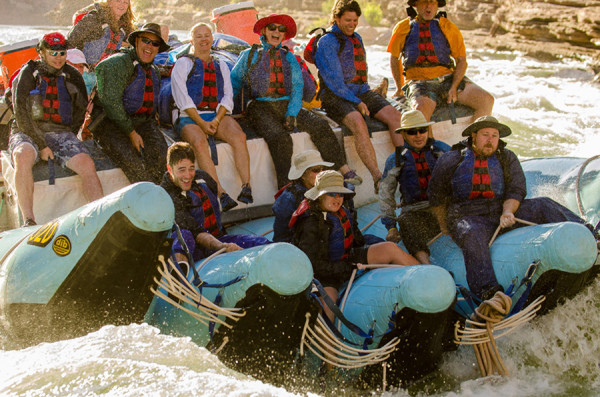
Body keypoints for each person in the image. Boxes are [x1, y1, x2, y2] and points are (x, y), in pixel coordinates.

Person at [428, 116, 594, 300]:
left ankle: (591, 234)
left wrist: (508, 211)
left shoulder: (506, 157)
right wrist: (444, 225)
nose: (490, 140)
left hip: (501, 211)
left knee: (543, 204)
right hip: (468, 216)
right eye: (485, 135)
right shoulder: (452, 159)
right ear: (474, 135)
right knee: (471, 234)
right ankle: (488, 292)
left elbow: (516, 189)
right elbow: (436, 196)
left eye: (494, 135)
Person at [231, 14, 359, 189]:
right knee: (280, 138)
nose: (277, 32)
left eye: (281, 29)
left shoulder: (289, 57)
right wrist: (226, 113)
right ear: (264, 31)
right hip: (259, 106)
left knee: (320, 125)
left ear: (284, 35)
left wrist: (292, 113)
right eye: (272, 28)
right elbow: (234, 84)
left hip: (286, 103)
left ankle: (342, 169)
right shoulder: (249, 55)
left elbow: (297, 87)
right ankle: (286, 188)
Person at [291, 170, 419, 321]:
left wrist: (379, 246)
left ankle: (426, 276)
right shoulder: (310, 223)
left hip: (348, 258)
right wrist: (346, 268)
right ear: (320, 195)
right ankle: (326, 342)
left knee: (389, 248)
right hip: (325, 274)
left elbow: (358, 240)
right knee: (328, 306)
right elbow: (313, 264)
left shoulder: (344, 210)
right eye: (331, 194)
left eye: (340, 194)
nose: (337, 199)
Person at [9, 32, 104, 226]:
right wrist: (42, 145)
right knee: (23, 155)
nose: (58, 58)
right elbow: (21, 113)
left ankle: (99, 215)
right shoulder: (28, 74)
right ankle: (29, 219)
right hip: (26, 130)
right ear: (41, 53)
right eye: (53, 53)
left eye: (62, 53)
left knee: (86, 162)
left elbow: (79, 112)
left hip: (60, 132)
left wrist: (69, 137)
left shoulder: (73, 76)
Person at [314, 0, 404, 192]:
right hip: (334, 96)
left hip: (360, 90)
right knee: (358, 121)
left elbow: (360, 74)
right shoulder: (327, 42)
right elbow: (335, 83)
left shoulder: (357, 38)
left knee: (395, 117)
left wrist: (365, 97)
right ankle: (378, 177)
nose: (352, 24)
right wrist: (357, 102)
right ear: (336, 18)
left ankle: (405, 168)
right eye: (347, 20)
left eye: (355, 20)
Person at [171, 22, 253, 212]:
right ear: (191, 41)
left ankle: (246, 186)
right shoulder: (183, 64)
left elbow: (227, 96)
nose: (204, 39)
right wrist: (202, 123)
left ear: (212, 39)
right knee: (199, 142)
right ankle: (220, 193)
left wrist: (215, 120)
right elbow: (183, 100)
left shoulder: (221, 65)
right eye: (199, 36)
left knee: (239, 136)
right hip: (188, 115)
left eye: (207, 35)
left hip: (215, 114)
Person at [161, 142, 270, 267]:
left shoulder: (203, 177)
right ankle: (179, 272)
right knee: (183, 235)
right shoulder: (166, 196)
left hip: (217, 240)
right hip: (193, 248)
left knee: (262, 243)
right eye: (181, 170)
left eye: (191, 168)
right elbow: (195, 232)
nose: (188, 175)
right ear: (170, 169)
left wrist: (224, 244)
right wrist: (222, 246)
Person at [387, 0, 494, 123]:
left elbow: (461, 61)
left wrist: (454, 86)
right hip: (420, 84)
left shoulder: (448, 27)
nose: (428, 6)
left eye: (432, 2)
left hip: (447, 80)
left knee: (487, 100)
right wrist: (399, 88)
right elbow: (394, 59)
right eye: (423, 2)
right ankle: (429, 141)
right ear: (415, 5)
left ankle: (475, 139)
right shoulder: (402, 27)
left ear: (437, 5)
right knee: (420, 116)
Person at [92, 23, 169, 184]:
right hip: (110, 125)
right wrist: (131, 133)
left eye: (155, 43)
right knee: (134, 164)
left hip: (142, 123)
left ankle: (159, 197)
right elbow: (110, 103)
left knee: (162, 153)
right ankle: (144, 199)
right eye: (146, 41)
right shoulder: (117, 64)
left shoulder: (153, 70)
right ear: (136, 42)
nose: (150, 46)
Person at [379, 110, 449, 263]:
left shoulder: (441, 150)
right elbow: (385, 193)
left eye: (422, 130)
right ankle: (426, 264)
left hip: (443, 208)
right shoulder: (396, 159)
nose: (418, 135)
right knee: (405, 221)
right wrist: (391, 227)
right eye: (412, 132)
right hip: (416, 213)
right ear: (403, 134)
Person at [68, 0, 135, 68]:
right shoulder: (94, 19)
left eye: (125, 2)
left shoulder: (126, 28)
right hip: (86, 72)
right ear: (109, 2)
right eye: (118, 1)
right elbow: (71, 42)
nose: (122, 5)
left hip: (107, 73)